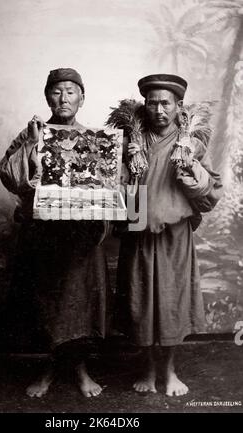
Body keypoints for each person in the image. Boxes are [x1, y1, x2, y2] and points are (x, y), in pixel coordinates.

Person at [0, 68, 111, 398]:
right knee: (46, 302)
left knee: (79, 301)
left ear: (81, 98)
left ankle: (79, 369)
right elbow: (9, 174)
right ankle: (47, 369)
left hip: (82, 236)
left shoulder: (94, 138)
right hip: (43, 234)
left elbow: (106, 183)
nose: (63, 98)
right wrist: (33, 143)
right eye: (57, 92)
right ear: (48, 96)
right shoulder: (33, 132)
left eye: (70, 92)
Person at [116, 74, 223, 397]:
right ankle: (148, 368)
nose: (159, 109)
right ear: (144, 106)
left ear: (179, 107)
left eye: (166, 103)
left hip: (176, 237)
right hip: (139, 236)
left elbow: (210, 193)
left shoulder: (190, 143)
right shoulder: (132, 141)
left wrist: (191, 168)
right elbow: (118, 195)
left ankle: (170, 370)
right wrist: (128, 166)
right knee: (141, 304)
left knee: (172, 303)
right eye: (152, 102)